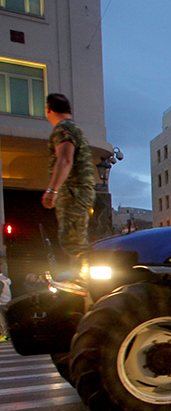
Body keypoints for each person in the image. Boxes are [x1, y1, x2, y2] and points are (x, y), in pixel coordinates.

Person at [43, 93, 96, 284]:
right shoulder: (74, 129)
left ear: (49, 109)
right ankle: (81, 276)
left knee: (72, 237)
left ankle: (83, 278)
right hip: (80, 190)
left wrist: (52, 190)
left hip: (74, 190)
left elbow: (65, 159)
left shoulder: (63, 129)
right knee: (75, 235)